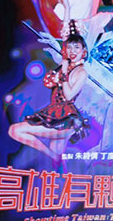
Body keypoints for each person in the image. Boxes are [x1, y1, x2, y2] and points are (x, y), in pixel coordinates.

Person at [8, 33, 89, 162]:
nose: (72, 51)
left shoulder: (81, 72)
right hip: (54, 113)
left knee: (15, 130)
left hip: (65, 119)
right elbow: (49, 82)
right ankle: (55, 160)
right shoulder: (65, 67)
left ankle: (51, 155)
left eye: (76, 47)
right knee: (56, 162)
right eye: (69, 47)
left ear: (83, 51)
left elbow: (68, 96)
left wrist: (63, 74)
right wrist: (62, 68)